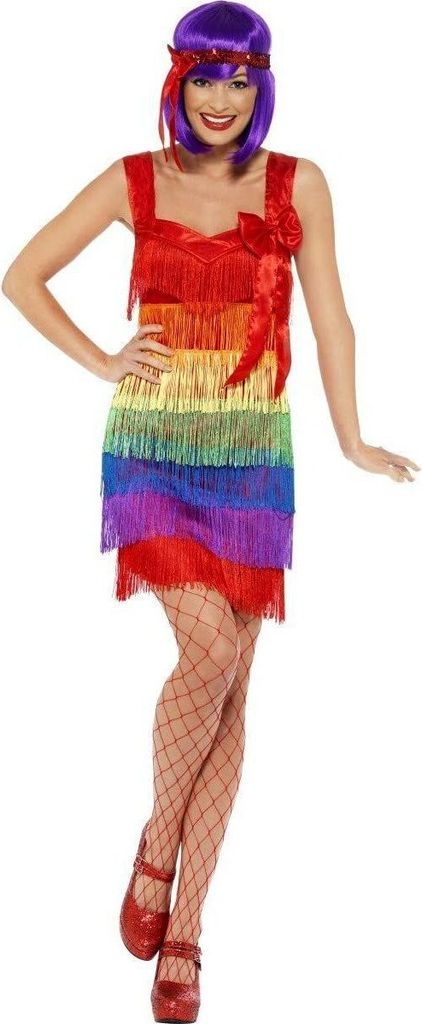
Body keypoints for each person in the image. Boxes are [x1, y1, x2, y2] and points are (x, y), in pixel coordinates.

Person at [2, 2, 419, 1021]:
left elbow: (331, 316)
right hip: (152, 447)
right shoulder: (133, 179)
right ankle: (157, 842)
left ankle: (185, 926)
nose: (220, 98)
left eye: (238, 79)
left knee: (234, 687)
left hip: (250, 456)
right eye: (203, 77)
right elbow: (21, 276)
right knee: (211, 650)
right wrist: (103, 359)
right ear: (177, 82)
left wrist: (351, 439)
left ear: (261, 85)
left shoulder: (297, 183)